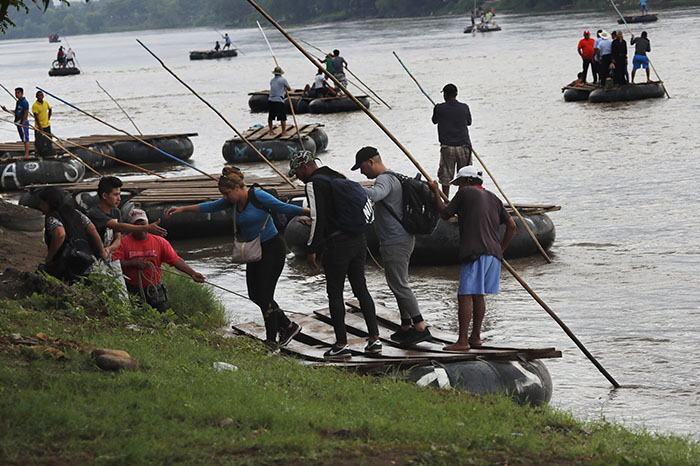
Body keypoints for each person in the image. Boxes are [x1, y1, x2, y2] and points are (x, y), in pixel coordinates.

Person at [166, 166, 309, 346]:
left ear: (236, 188)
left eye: (226, 193)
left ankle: (271, 340)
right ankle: (288, 326)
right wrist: (182, 209)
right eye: (222, 194)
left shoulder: (257, 196)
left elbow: (283, 207)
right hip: (254, 251)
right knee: (254, 294)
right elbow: (210, 206)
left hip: (272, 249)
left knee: (265, 296)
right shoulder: (231, 202)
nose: (225, 197)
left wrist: (310, 213)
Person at [289, 151, 381, 359]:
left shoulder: (313, 184)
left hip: (337, 245)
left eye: (297, 172)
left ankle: (341, 345)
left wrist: (312, 249)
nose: (298, 177)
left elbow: (318, 218)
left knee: (335, 293)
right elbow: (335, 212)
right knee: (361, 289)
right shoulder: (337, 175)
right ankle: (375, 339)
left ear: (304, 166)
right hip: (358, 240)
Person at [352, 146, 432, 347]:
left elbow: (375, 195)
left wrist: (351, 186)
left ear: (371, 162)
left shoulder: (384, 179)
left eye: (362, 167)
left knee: (399, 284)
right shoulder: (394, 177)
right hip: (401, 238)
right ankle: (406, 325)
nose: (362, 172)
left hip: (395, 240)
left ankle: (420, 327)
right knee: (398, 283)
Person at [430, 166, 516, 351]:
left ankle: (462, 341)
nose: (458, 188)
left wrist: (435, 191)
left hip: (476, 252)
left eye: (459, 184)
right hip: (493, 255)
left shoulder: (466, 192)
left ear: (468, 182)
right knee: (478, 294)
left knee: (465, 295)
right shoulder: (494, 198)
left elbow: (445, 214)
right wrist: (500, 249)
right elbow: (512, 226)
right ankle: (475, 337)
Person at [113, 208, 204, 313]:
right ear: (131, 226)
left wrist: (192, 273)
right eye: (137, 225)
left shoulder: (160, 242)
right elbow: (115, 263)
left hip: (154, 289)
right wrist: (134, 263)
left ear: (148, 224)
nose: (141, 228)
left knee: (161, 316)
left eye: (143, 224)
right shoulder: (123, 243)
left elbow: (175, 260)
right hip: (132, 289)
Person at [87, 176, 168, 259]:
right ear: (104, 195)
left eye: (119, 194)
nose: (119, 198)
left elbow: (118, 239)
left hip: (108, 254)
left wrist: (109, 249)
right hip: (93, 256)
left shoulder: (116, 212)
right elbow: (118, 227)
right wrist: (146, 228)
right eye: (115, 195)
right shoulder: (95, 213)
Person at [37, 186, 107, 282]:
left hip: (68, 262)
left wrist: (50, 257)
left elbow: (60, 234)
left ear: (50, 203)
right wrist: (102, 251)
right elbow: (92, 229)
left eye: (42, 203)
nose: (40, 207)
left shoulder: (52, 218)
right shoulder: (76, 213)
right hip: (87, 260)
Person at [431, 83, 472, 198]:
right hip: (464, 146)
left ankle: (446, 201)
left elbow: (434, 120)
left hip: (447, 147)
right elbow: (469, 122)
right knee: (465, 176)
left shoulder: (439, 108)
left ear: (444, 95)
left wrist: (438, 110)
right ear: (456, 94)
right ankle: (463, 200)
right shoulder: (464, 107)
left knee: (446, 177)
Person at [1, 87, 30, 158]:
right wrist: (6, 110)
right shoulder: (18, 102)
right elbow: (16, 111)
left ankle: (26, 154)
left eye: (18, 93)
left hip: (23, 122)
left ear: (22, 93)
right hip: (18, 121)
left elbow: (26, 112)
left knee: (26, 139)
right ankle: (26, 153)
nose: (17, 94)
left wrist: (23, 122)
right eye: (16, 93)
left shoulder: (24, 102)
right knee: (23, 138)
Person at [268, 66, 291, 136]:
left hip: (271, 99)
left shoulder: (272, 80)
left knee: (271, 116)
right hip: (278, 100)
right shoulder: (283, 80)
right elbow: (289, 89)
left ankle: (271, 131)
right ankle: (284, 132)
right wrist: (284, 87)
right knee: (282, 117)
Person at [31, 90, 54, 157]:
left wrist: (48, 117)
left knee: (49, 139)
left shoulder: (45, 103)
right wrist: (40, 126)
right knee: (38, 141)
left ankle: (49, 151)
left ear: (43, 96)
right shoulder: (35, 105)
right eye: (39, 96)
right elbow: (36, 116)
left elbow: (50, 109)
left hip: (46, 124)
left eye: (41, 95)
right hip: (39, 126)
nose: (40, 97)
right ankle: (38, 152)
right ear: (36, 97)